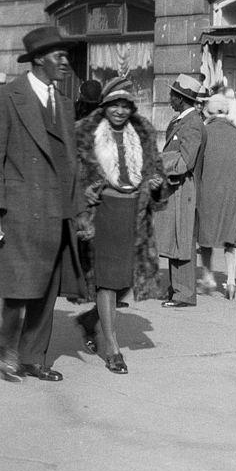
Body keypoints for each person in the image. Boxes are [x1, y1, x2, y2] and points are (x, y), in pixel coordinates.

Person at [0, 25, 89, 382]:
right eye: (59, 55)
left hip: (56, 212)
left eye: (66, 56)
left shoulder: (65, 105)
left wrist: (81, 213)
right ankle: (7, 343)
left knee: (47, 289)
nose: (65, 62)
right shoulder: (6, 98)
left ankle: (33, 357)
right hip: (19, 211)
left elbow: (71, 163)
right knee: (18, 287)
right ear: (39, 59)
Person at [72, 76, 165, 374]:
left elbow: (157, 171)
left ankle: (90, 319)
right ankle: (112, 348)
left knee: (126, 279)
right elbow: (73, 174)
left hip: (135, 213)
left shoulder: (143, 132)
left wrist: (156, 184)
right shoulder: (87, 133)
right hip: (103, 213)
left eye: (126, 106)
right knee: (107, 280)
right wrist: (85, 195)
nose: (120, 111)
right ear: (105, 105)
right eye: (115, 105)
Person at [196, 93, 236, 300]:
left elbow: (197, 168)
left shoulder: (203, 133)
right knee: (230, 239)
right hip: (231, 195)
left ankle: (208, 277)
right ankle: (231, 281)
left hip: (206, 193)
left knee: (205, 237)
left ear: (209, 112)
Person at [154, 73, 205, 308]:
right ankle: (177, 289)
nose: (170, 98)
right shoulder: (181, 121)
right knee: (176, 239)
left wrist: (160, 162)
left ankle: (184, 293)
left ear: (182, 98)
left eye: (173, 95)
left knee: (182, 240)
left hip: (184, 190)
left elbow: (186, 162)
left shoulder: (193, 123)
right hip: (176, 189)